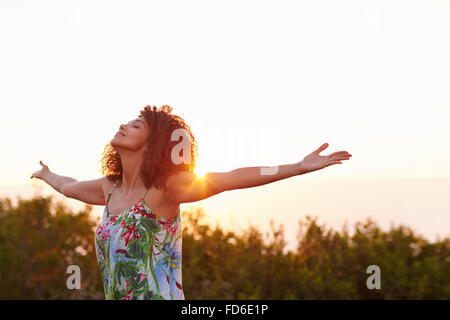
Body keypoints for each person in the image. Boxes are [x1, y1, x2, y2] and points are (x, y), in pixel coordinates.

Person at [30, 104, 352, 300]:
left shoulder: (166, 189)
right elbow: (70, 187)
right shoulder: (108, 189)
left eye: (136, 125)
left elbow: (230, 178)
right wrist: (47, 174)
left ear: (152, 144)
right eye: (127, 123)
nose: (123, 126)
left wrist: (297, 167)